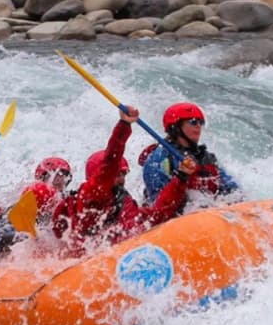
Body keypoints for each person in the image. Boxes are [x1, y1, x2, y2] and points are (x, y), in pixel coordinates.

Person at [51, 106, 196, 257]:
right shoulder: (91, 194)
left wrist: (181, 177)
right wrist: (124, 125)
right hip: (86, 261)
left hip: (118, 256)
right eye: (117, 174)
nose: (122, 178)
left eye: (124, 173)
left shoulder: (123, 200)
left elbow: (157, 214)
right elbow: (110, 161)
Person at [140, 102, 240, 209]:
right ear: (176, 127)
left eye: (200, 122)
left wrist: (231, 200)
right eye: (193, 122)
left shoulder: (205, 157)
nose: (198, 126)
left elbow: (231, 187)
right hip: (174, 217)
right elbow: (158, 201)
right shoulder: (160, 157)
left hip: (206, 214)